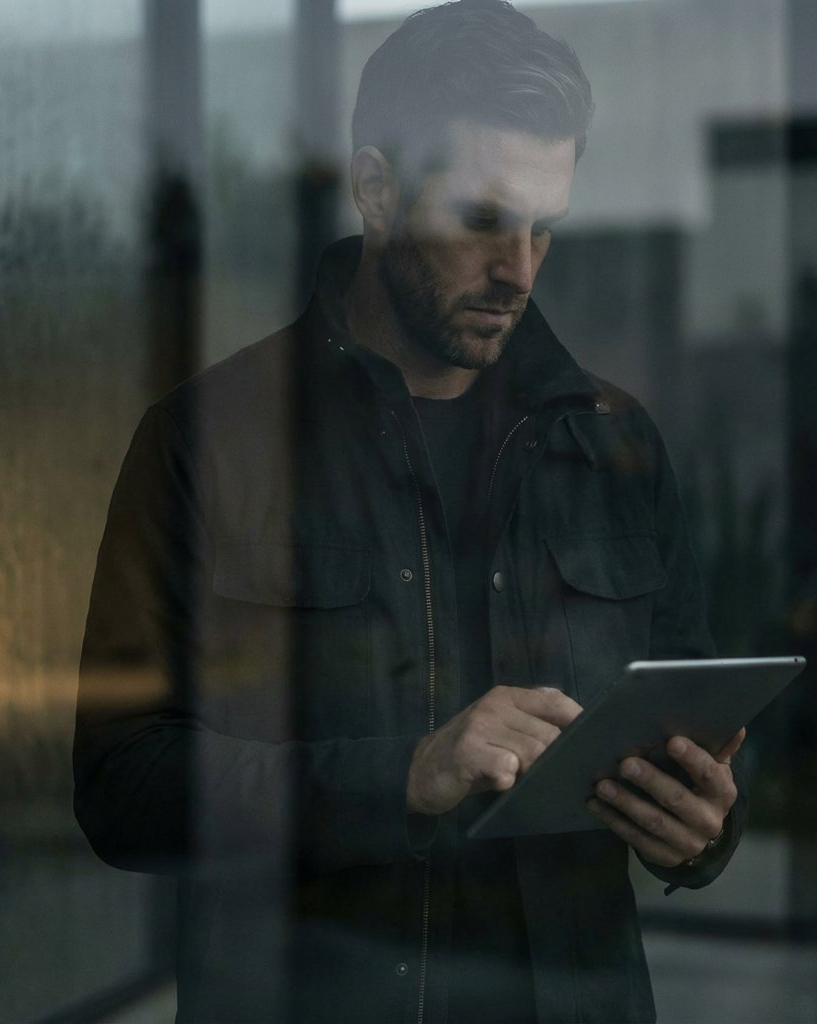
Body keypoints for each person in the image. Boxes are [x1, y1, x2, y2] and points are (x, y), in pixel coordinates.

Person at [74, 2, 746, 1021]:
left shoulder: (615, 444)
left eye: (543, 226)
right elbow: (122, 788)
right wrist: (405, 775)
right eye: (481, 218)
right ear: (378, 192)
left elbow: (694, 722)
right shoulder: (204, 440)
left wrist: (704, 831)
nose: (518, 269)